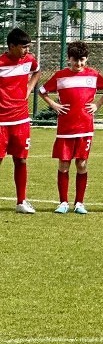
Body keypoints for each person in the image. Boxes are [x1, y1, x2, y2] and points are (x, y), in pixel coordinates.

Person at [39, 40, 103, 214]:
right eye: (75, 60)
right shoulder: (60, 76)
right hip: (65, 129)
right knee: (64, 164)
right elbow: (41, 90)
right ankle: (63, 202)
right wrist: (54, 105)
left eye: (82, 60)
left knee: (82, 164)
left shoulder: (93, 75)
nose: (79, 64)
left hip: (85, 128)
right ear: (69, 59)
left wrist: (97, 104)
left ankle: (79, 203)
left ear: (86, 59)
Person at [0, 28, 41, 213]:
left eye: (28, 47)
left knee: (21, 160)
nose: (27, 50)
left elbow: (37, 71)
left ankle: (21, 202)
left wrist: (29, 89)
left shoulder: (29, 60)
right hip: (1, 122)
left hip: (21, 120)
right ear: (11, 46)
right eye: (23, 47)